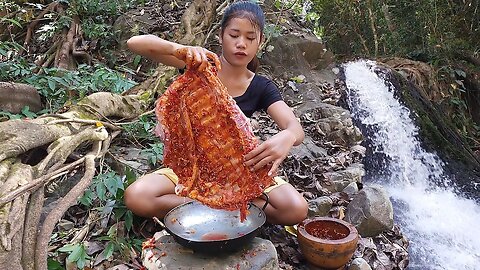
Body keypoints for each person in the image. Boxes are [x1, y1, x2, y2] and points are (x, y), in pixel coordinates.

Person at [124, 0, 307, 226]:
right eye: (234, 35)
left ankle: (212, 205)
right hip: (193, 167)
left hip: (240, 172)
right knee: (137, 196)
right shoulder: (201, 65)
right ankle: (228, 206)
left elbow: (295, 128)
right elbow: (135, 43)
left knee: (296, 209)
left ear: (260, 42)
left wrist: (287, 136)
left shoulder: (261, 87)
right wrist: (179, 50)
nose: (242, 44)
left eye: (250, 38)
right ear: (221, 36)